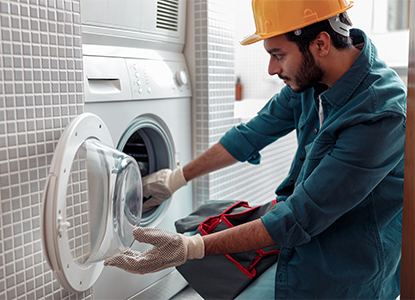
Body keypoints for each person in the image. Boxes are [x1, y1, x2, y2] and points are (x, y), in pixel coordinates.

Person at [105, 0, 407, 299]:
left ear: (321, 44)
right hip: (301, 239)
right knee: (197, 221)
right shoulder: (314, 78)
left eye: (278, 55)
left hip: (346, 268)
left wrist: (191, 249)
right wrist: (175, 179)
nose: (272, 68)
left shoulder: (379, 115)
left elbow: (299, 218)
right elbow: (250, 135)